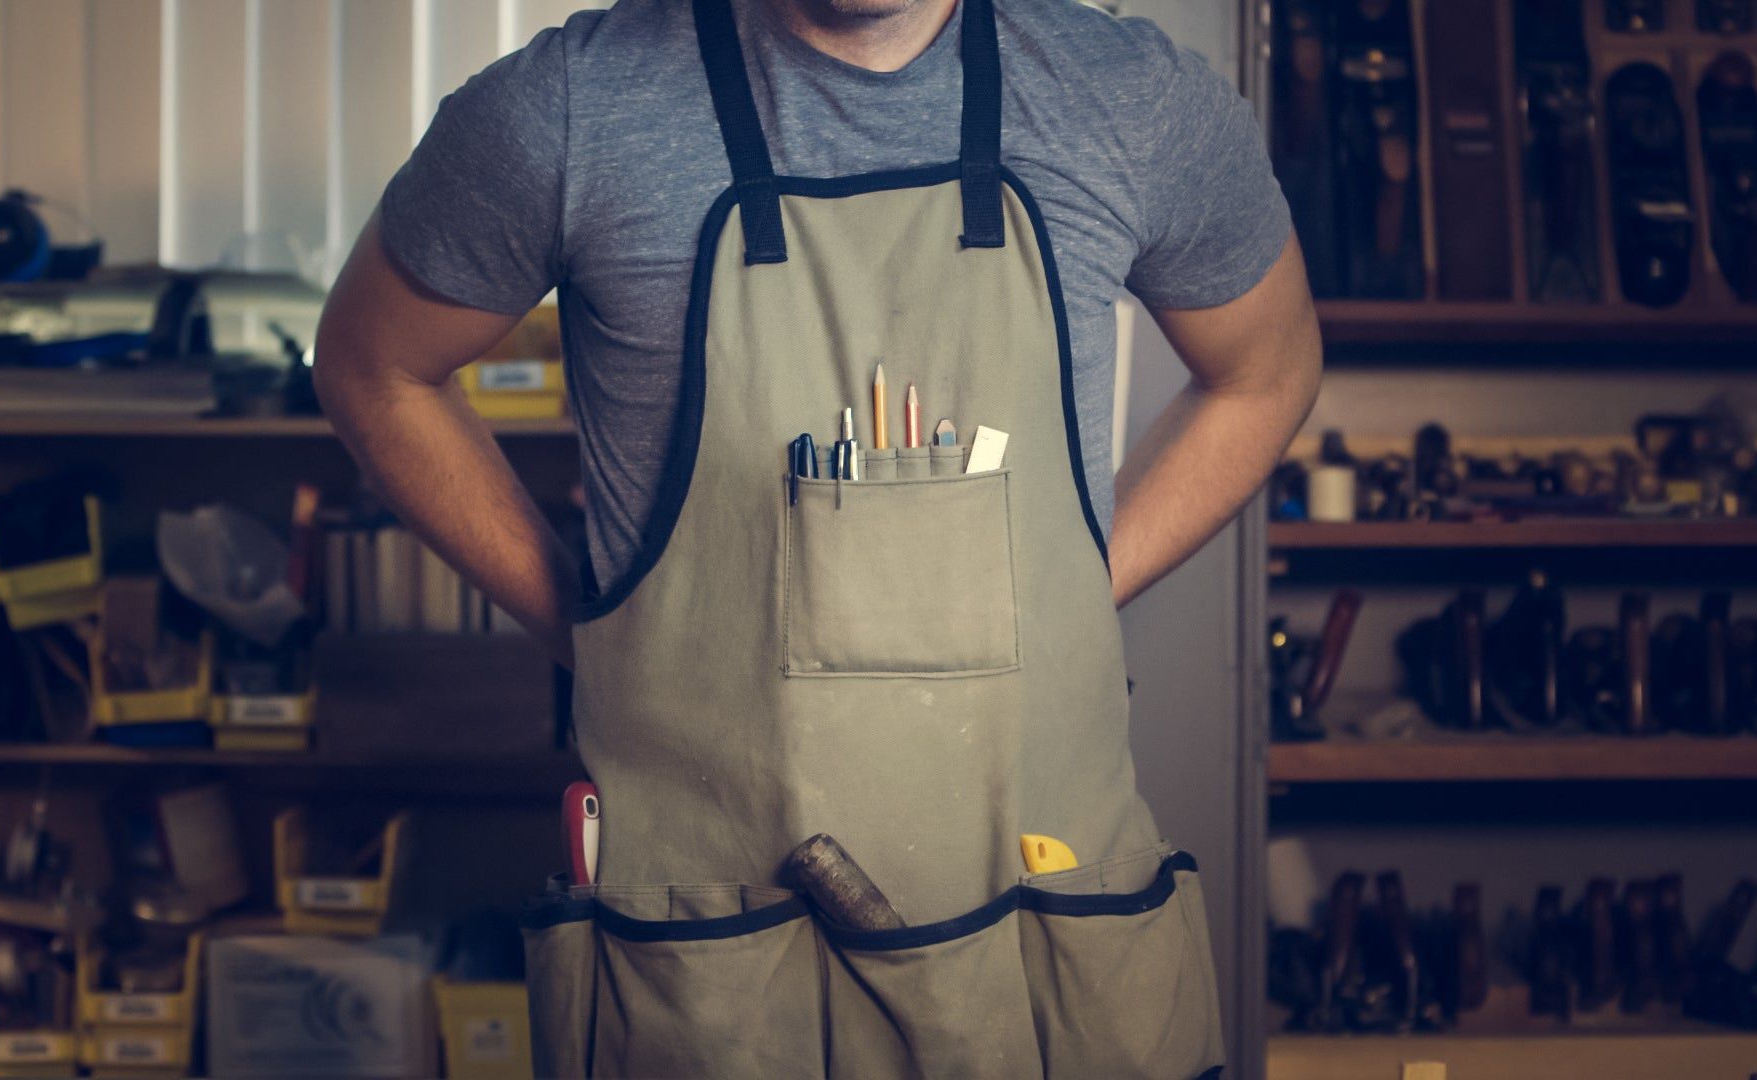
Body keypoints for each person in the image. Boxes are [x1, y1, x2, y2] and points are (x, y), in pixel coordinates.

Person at [316, 0, 1321, 1074]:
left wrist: (1070, 587)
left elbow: (1267, 372)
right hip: (716, 971)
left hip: (1049, 952)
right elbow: (371, 366)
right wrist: (598, 627)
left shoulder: (1126, 94)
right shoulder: (565, 110)